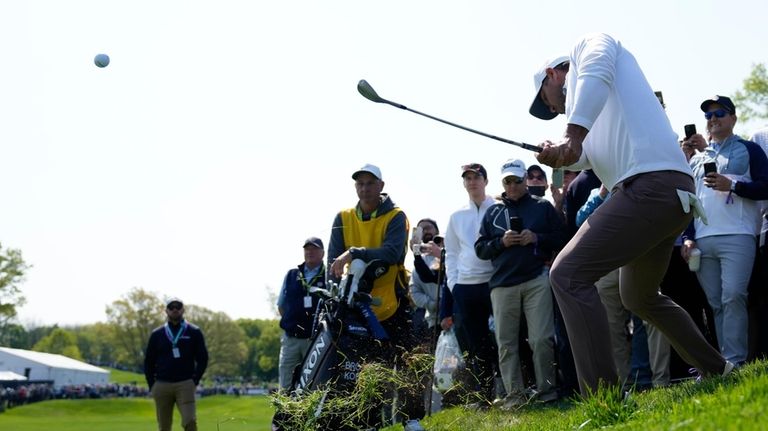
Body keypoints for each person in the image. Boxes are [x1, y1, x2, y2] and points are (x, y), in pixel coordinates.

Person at [529, 33, 732, 395]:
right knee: (638, 296)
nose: (556, 110)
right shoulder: (591, 111)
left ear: (552, 74)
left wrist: (571, 134)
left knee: (567, 274)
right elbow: (587, 156)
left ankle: (603, 397)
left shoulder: (589, 48)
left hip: (649, 187)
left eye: (547, 100)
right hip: (669, 195)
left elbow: (594, 73)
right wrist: (559, 155)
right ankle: (717, 368)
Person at [327, 163, 424, 431]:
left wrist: (355, 253)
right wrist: (333, 290)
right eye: (360, 183)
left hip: (393, 299)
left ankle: (411, 418)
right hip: (357, 304)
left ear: (381, 186)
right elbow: (332, 264)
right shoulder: (343, 217)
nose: (365, 188)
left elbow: (392, 253)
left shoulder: (396, 215)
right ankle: (369, 422)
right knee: (366, 368)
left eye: (370, 183)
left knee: (406, 360)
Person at [682, 95, 768, 366]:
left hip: (739, 235)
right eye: (708, 116)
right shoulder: (696, 159)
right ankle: (725, 363)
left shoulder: (750, 149)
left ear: (733, 117)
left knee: (733, 295)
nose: (713, 119)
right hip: (703, 240)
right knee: (716, 303)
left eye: (719, 113)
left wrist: (732, 186)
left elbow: (765, 187)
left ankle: (736, 361)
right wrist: (687, 238)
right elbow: (689, 202)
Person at [475, 159, 566, 408]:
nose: (513, 185)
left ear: (525, 179)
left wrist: (537, 238)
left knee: (542, 339)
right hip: (502, 285)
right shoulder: (492, 211)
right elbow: (480, 249)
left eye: (517, 180)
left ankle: (547, 392)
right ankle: (515, 396)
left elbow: (562, 237)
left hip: (536, 279)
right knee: (506, 344)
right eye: (508, 181)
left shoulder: (543, 206)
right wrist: (501, 243)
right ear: (502, 182)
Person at [443, 163, 499, 408]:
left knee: (506, 337)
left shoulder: (498, 208)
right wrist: (454, 283)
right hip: (466, 287)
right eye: (468, 178)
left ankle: (517, 389)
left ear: (485, 181)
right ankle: (485, 396)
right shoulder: (456, 216)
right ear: (464, 183)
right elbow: (451, 254)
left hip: (495, 282)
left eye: (477, 177)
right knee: (476, 344)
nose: (472, 182)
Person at [144, 298, 209, 431]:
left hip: (185, 384)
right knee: (164, 426)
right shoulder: (157, 334)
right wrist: (152, 384)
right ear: (166, 310)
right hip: (162, 384)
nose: (175, 310)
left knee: (190, 421)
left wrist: (194, 380)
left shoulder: (194, 332)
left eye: (178, 307)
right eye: (171, 307)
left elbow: (203, 358)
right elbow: (149, 361)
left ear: (183, 310)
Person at [276, 237, 325, 391]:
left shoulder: (330, 275)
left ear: (322, 253)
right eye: (307, 249)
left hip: (316, 341)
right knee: (286, 385)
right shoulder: (291, 274)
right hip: (291, 340)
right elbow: (281, 306)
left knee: (312, 385)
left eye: (314, 249)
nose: (310, 252)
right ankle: (286, 415)